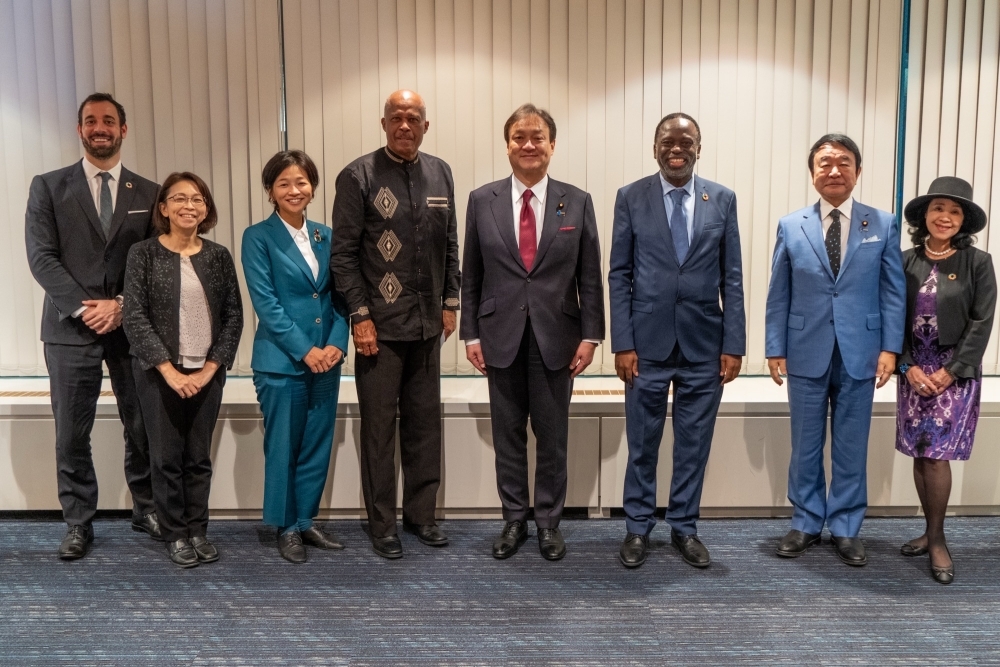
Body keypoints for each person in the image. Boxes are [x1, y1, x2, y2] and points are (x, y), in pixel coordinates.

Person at [461, 104, 604, 561]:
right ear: (507, 145)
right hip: (499, 336)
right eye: (519, 137)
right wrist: (470, 335)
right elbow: (471, 275)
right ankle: (513, 520)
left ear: (552, 145)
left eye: (537, 137)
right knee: (507, 436)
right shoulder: (482, 200)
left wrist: (591, 336)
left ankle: (547, 523)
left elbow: (589, 276)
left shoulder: (576, 200)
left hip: (557, 340)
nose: (528, 144)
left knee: (552, 437)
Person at [25, 93, 160, 559]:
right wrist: (88, 309)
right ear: (79, 130)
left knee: (141, 424)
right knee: (71, 431)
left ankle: (147, 509)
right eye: (90, 121)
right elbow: (41, 258)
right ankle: (79, 521)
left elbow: (155, 262)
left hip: (132, 327)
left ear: (124, 129)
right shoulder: (48, 186)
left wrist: (121, 305)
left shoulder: (150, 192)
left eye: (108, 121)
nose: (99, 127)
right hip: (69, 329)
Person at [609, 113, 746, 570]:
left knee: (694, 443)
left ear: (698, 148)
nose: (677, 148)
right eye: (668, 141)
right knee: (642, 442)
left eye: (686, 141)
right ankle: (637, 527)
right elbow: (619, 274)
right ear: (654, 148)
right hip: (645, 346)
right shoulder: (630, 198)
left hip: (705, 346)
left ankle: (685, 526)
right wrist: (622, 343)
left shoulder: (721, 200)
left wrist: (734, 344)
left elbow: (733, 278)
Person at [765, 133, 906, 566]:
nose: (834, 170)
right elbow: (778, 291)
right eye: (825, 163)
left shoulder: (882, 223)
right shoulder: (792, 225)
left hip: (861, 351)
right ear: (812, 173)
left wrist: (891, 349)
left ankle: (845, 525)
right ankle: (806, 521)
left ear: (858, 172)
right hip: (805, 347)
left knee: (850, 444)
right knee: (805, 443)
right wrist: (774, 347)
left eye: (844, 162)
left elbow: (893, 291)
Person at [332, 90, 461, 559]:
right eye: (396, 118)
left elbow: (450, 245)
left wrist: (452, 302)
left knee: (425, 427)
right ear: (383, 123)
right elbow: (343, 257)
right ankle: (382, 524)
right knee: (380, 431)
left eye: (414, 118)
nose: (405, 125)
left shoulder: (441, 171)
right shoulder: (357, 175)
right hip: (378, 333)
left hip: (429, 327)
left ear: (426, 125)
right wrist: (360, 317)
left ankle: (422, 518)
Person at [122, 172, 243, 568]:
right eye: (179, 199)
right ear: (163, 208)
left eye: (197, 199)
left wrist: (209, 370)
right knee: (166, 458)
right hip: (160, 374)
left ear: (206, 208)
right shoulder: (143, 254)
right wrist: (169, 372)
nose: (188, 206)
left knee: (198, 458)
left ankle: (198, 530)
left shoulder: (218, 255)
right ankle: (175, 534)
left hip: (207, 373)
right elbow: (135, 317)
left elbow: (233, 317)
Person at [242, 151, 350, 564]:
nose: (294, 190)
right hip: (282, 362)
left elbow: (341, 294)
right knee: (284, 446)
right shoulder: (258, 237)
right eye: (284, 183)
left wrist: (337, 344)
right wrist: (307, 351)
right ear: (270, 189)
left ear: (313, 187)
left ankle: (306, 520)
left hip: (328, 360)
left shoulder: (326, 234)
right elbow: (266, 304)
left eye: (302, 182)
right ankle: (285, 526)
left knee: (316, 445)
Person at [895, 177, 995, 585]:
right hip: (913, 372)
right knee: (921, 453)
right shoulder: (903, 260)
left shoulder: (979, 263)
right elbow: (889, 318)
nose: (946, 217)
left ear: (964, 220)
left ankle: (937, 539)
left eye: (955, 211)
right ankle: (928, 530)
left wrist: (949, 371)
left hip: (952, 374)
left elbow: (982, 322)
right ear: (924, 215)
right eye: (939, 208)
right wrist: (906, 366)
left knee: (937, 455)